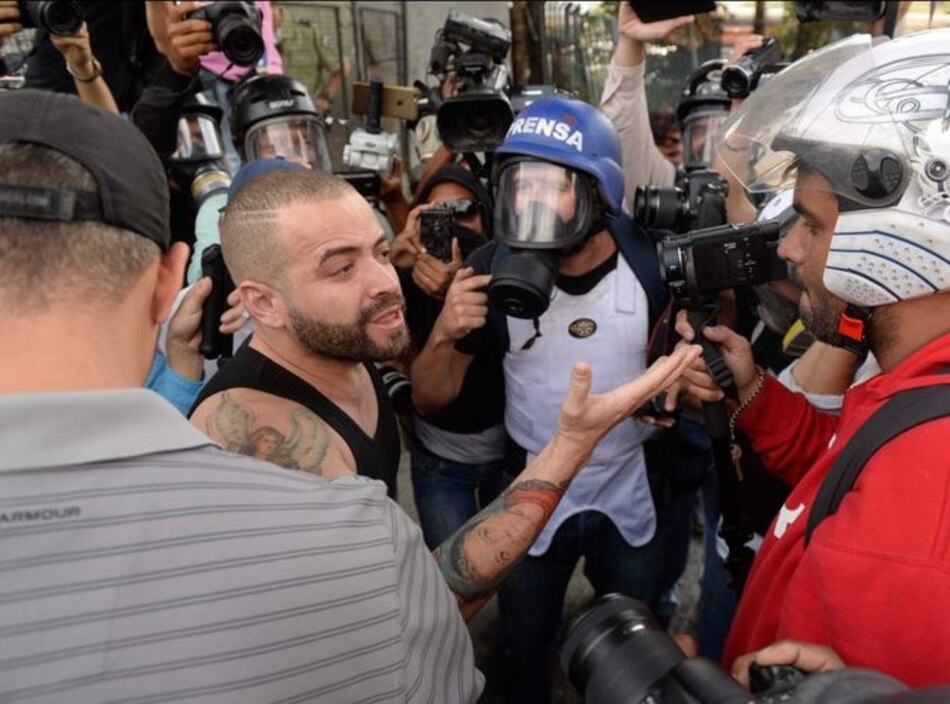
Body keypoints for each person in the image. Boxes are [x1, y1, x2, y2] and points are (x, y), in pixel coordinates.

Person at [0, 87, 698, 702]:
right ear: (245, 301)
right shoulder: (253, 444)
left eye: (377, 248)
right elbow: (419, 605)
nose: (385, 282)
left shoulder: (350, 348)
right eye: (340, 268)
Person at [674, 30, 950, 687]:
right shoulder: (911, 383)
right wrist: (755, 396)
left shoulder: (899, 547)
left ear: (901, 243)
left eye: (813, 225)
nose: (790, 250)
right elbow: (849, 464)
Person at [411, 95, 673, 703]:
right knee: (523, 648)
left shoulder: (650, 261)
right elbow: (428, 400)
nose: (529, 202)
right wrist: (446, 332)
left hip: (626, 485)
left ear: (598, 195)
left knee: (636, 648)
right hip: (531, 492)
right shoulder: (486, 269)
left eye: (550, 186)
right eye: (517, 185)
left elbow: (687, 360)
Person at [391, 164, 506, 549]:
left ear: (488, 217)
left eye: (464, 210)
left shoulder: (508, 273)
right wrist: (390, 266)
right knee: (451, 578)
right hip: (439, 457)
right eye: (439, 216)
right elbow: (422, 393)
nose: (453, 227)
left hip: (507, 455)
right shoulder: (403, 276)